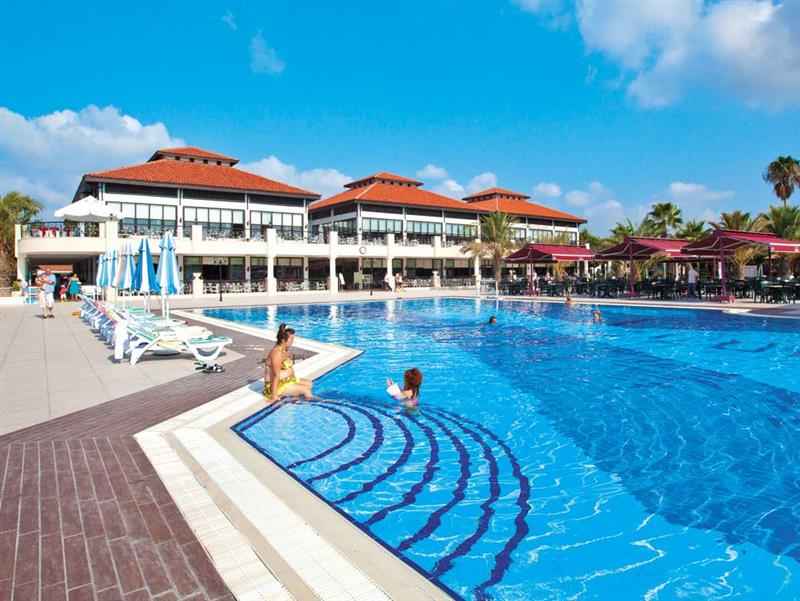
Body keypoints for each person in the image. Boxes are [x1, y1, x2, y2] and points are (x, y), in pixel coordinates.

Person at [264, 324, 314, 402]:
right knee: (306, 390)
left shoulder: (285, 350)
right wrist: (274, 396)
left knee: (309, 383)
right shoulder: (277, 354)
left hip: (286, 381)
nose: (293, 341)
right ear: (283, 340)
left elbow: (288, 367)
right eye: (291, 339)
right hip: (276, 386)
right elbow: (275, 375)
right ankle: (314, 403)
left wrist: (293, 380)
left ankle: (295, 398)